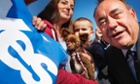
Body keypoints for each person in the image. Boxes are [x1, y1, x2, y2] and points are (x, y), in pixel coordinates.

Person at [32, 0, 98, 84]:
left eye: (72, 7)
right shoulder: (43, 28)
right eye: (64, 3)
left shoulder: (71, 36)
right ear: (53, 5)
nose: (68, 8)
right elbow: (50, 70)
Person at [94, 0, 140, 84]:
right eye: (103, 22)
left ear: (133, 15)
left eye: (116, 15)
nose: (111, 25)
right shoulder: (109, 56)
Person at [72, 17, 109, 84]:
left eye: (84, 29)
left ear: (91, 33)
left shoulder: (94, 45)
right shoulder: (74, 48)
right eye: (76, 30)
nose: (80, 32)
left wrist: (93, 63)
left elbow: (103, 61)